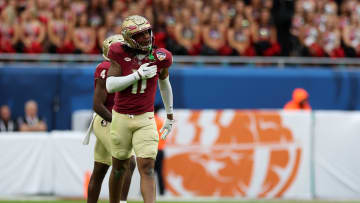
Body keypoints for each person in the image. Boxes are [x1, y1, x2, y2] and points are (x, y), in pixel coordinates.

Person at [105, 15, 175, 203]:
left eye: (147, 32)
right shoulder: (118, 51)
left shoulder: (160, 56)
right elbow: (110, 85)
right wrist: (136, 76)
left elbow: (165, 84)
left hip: (145, 118)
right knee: (119, 167)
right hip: (121, 117)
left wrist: (169, 115)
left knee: (147, 167)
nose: (146, 37)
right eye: (140, 35)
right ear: (128, 38)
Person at [84, 35, 136, 203]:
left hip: (114, 120)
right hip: (106, 119)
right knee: (128, 162)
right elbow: (98, 105)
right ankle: (121, 201)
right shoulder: (106, 67)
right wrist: (119, 121)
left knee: (99, 169)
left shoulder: (127, 66)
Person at [154, 105, 166, 196]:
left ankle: (144, 192)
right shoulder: (161, 121)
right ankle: (162, 193)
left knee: (147, 172)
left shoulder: (150, 121)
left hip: (152, 150)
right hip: (161, 150)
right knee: (159, 172)